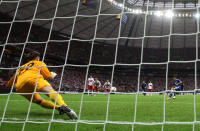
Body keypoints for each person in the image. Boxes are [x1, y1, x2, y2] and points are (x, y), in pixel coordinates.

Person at [5, 51, 77, 119]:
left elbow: (8, 84)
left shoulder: (20, 68)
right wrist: (53, 74)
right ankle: (64, 106)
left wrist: (20, 84)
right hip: (34, 78)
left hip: (20, 86)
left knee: (39, 101)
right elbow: (49, 77)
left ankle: (58, 108)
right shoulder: (38, 63)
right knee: (49, 91)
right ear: (37, 58)